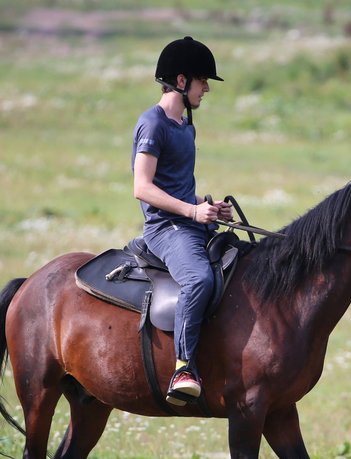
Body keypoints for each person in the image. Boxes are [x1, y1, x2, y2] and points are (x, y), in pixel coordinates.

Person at [132, 36, 233, 406]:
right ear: (180, 81)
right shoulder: (152, 124)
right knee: (198, 278)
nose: (206, 88)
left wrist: (208, 205)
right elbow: (142, 187)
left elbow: (176, 186)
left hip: (189, 222)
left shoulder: (185, 126)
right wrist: (191, 211)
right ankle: (184, 367)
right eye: (202, 80)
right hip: (165, 228)